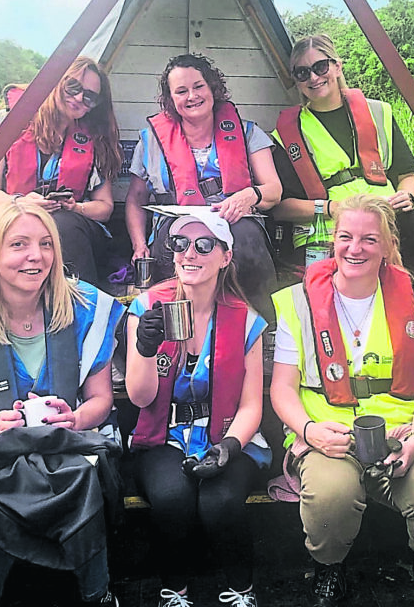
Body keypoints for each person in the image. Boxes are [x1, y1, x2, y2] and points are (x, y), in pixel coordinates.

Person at [269, 194, 414, 607]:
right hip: (328, 434)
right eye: (345, 237)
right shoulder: (298, 301)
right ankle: (329, 569)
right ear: (333, 239)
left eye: (369, 239)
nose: (355, 249)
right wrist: (309, 431)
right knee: (330, 496)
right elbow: (282, 388)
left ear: (388, 245)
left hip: (399, 432)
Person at [0, 201, 126, 607]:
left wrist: (73, 419)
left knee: (83, 477)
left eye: (44, 244)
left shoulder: (84, 308)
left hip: (67, 446)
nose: (34, 256)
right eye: (18, 244)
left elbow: (101, 402)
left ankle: (99, 596)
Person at [125, 209, 269, 607]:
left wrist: (228, 447)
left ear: (225, 256)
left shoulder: (246, 319)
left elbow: (252, 404)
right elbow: (139, 399)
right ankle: (174, 590)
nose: (190, 252)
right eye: (181, 244)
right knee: (171, 498)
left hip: (228, 434)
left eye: (204, 245)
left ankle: (243, 589)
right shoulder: (147, 308)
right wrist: (144, 348)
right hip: (164, 435)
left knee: (219, 501)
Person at [270, 34, 414, 294]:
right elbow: (281, 208)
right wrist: (332, 208)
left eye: (320, 67)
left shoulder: (378, 113)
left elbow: (406, 174)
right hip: (329, 234)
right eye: (302, 73)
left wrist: (407, 195)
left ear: (337, 67)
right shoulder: (286, 134)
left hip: (387, 221)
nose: (313, 78)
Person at [125, 53, 282, 321]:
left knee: (246, 239)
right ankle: (180, 330)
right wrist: (139, 244)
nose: (192, 96)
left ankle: (260, 330)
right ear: (171, 100)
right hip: (175, 224)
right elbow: (136, 199)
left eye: (198, 86)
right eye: (181, 91)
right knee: (177, 245)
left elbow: (274, 190)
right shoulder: (150, 141)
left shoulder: (248, 133)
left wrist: (250, 195)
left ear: (212, 88)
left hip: (235, 221)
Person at [0, 56, 124, 288]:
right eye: (72, 87)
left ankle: (79, 310)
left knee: (63, 224)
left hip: (71, 230)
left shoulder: (95, 138)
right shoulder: (7, 123)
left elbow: (104, 207)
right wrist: (22, 203)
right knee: (19, 232)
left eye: (89, 96)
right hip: (13, 223)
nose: (78, 98)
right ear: (54, 81)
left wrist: (77, 207)